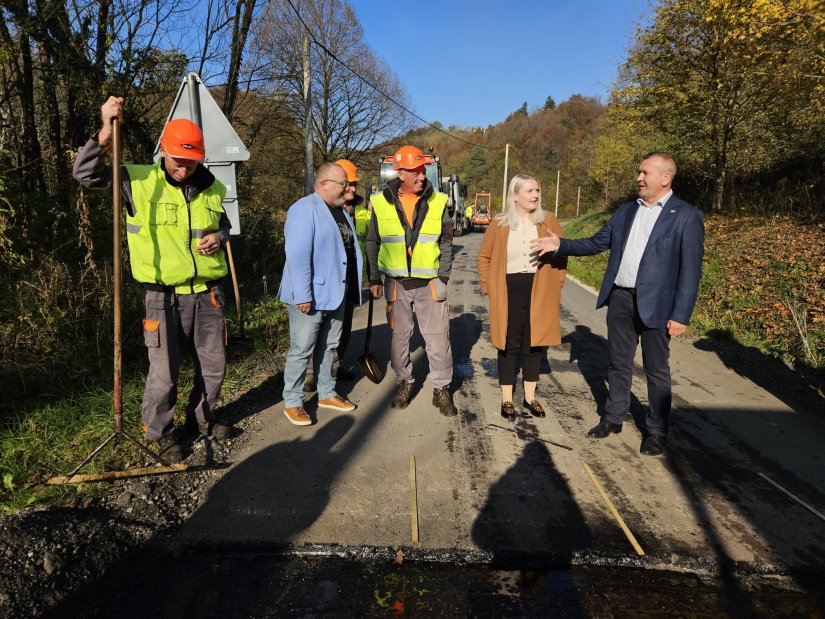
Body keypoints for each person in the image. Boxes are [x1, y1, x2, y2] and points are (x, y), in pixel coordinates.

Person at [73, 97, 233, 463]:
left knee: (214, 367)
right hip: (163, 297)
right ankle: (159, 432)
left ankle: (201, 420)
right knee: (164, 372)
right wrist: (105, 131)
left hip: (208, 295)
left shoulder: (212, 187)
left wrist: (220, 237)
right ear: (164, 151)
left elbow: (223, 225)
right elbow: (85, 175)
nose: (184, 168)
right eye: (178, 160)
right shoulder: (137, 179)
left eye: (192, 161)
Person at [531, 153, 704, 456]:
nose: (638, 177)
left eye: (645, 172)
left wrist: (681, 314)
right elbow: (596, 243)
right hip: (621, 298)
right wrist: (561, 244)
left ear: (665, 178)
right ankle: (613, 418)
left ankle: (656, 431)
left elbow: (691, 270)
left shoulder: (687, 216)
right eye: (638, 171)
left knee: (656, 371)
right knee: (618, 364)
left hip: (659, 306)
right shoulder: (626, 212)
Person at [366, 145, 457, 416]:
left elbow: (447, 241)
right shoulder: (381, 202)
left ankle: (442, 390)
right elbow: (373, 240)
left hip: (429, 283)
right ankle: (404, 383)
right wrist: (374, 277)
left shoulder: (439, 201)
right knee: (399, 340)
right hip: (396, 284)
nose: (422, 176)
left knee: (439, 340)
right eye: (416, 172)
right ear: (401, 172)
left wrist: (443, 276)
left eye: (423, 171)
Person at [477, 174, 567, 420]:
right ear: (515, 195)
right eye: (529, 191)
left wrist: (556, 286)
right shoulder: (500, 223)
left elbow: (561, 255)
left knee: (534, 343)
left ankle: (530, 398)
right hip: (508, 289)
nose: (535, 195)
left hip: (539, 288)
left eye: (537, 190)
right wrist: (489, 287)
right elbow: (484, 257)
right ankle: (507, 399)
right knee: (508, 343)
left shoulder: (548, 220)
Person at [279, 163, 362, 426]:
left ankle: (326, 393)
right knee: (302, 349)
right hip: (310, 295)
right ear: (324, 184)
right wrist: (302, 295)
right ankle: (292, 401)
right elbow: (298, 255)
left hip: (336, 292)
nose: (348, 188)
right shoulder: (304, 209)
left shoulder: (341, 211)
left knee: (329, 347)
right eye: (343, 184)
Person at [303, 159, 369, 392]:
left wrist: (372, 277)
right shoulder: (322, 207)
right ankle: (311, 374)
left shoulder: (358, 208)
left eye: (353, 184)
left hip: (348, 279)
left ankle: (335, 367)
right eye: (347, 184)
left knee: (341, 330)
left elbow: (366, 243)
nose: (351, 188)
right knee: (318, 331)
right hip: (326, 281)